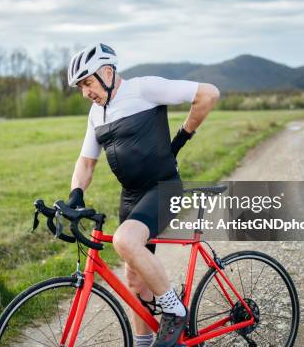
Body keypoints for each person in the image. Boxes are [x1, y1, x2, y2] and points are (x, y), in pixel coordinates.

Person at [66, 43, 219, 347]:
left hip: (164, 188)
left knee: (125, 240)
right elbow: (86, 162)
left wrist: (183, 135)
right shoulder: (96, 114)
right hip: (132, 195)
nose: (85, 92)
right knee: (134, 279)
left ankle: (175, 310)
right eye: (80, 86)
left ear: (107, 72)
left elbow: (208, 94)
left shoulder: (144, 89)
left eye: (88, 82)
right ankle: (143, 342)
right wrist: (75, 194)